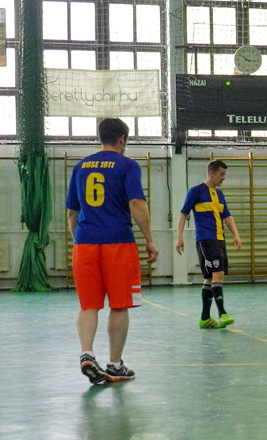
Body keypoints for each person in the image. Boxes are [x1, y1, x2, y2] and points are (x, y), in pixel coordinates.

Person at [66, 118, 158, 384]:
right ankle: (115, 365)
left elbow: (72, 213)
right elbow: (136, 202)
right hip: (118, 242)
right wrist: (149, 239)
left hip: (85, 243)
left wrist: (79, 239)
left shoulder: (81, 166)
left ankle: (86, 354)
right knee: (119, 305)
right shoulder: (127, 165)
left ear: (100, 137)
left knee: (88, 305)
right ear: (122, 139)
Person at [176, 160, 242, 329]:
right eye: (221, 174)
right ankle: (222, 314)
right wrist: (179, 237)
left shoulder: (219, 195)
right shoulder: (196, 191)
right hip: (206, 240)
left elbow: (227, 216)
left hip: (219, 239)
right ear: (211, 173)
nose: (224, 178)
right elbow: (183, 214)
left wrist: (235, 234)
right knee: (218, 273)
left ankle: (205, 318)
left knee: (210, 277)